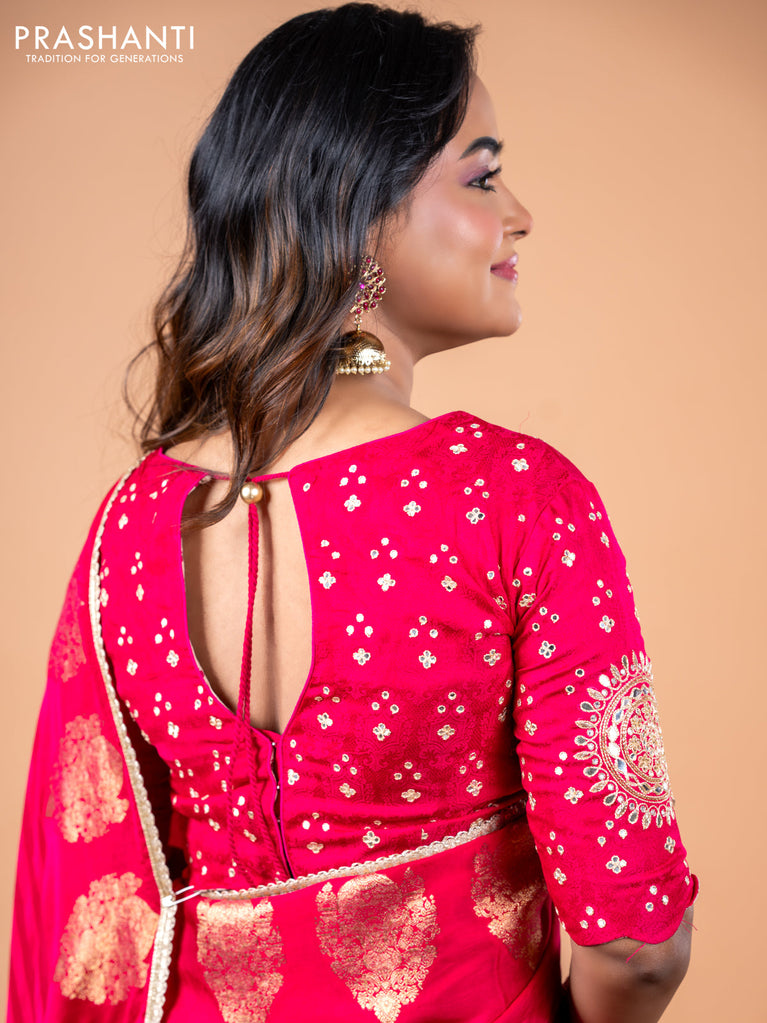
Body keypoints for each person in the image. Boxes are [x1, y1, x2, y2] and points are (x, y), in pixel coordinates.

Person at [8, 4, 697, 1021]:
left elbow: (84, 901)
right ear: (360, 211)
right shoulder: (514, 497)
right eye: (480, 177)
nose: (518, 214)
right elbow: (635, 945)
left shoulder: (128, 527)